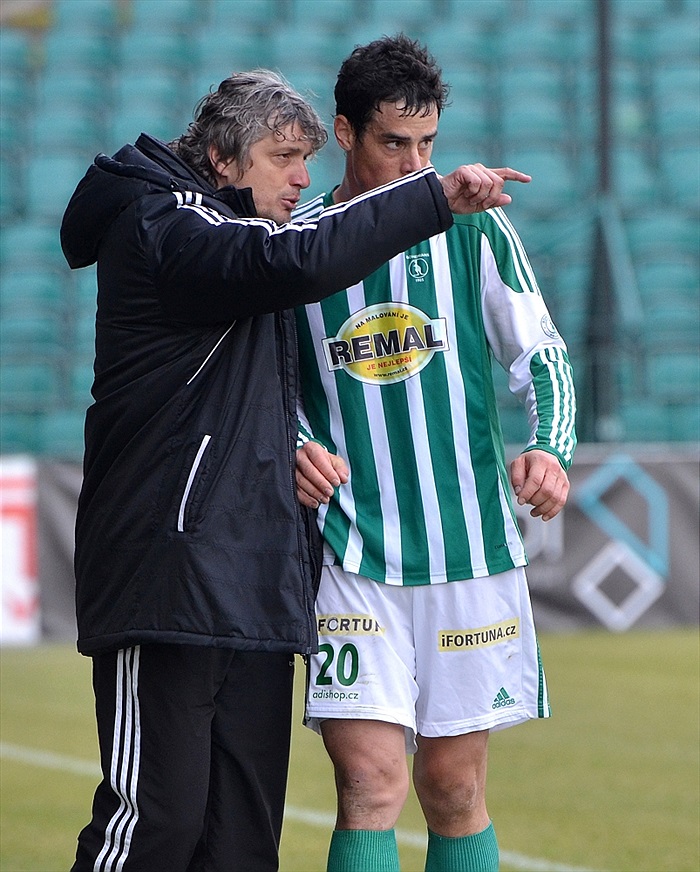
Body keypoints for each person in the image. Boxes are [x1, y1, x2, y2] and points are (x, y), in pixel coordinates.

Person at [60, 69, 530, 872]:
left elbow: (266, 378)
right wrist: (430, 199)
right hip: (168, 575)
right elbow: (294, 260)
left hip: (255, 580)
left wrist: (297, 441)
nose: (303, 178)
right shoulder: (165, 225)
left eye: (307, 158)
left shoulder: (232, 236)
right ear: (221, 157)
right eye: (284, 157)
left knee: (240, 842)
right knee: (154, 825)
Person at [294, 36, 577, 872]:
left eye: (428, 145)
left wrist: (549, 449)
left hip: (471, 549)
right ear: (344, 133)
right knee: (369, 783)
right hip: (351, 551)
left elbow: (543, 353)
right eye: (394, 144)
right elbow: (257, 387)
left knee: (453, 789)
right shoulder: (297, 247)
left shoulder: (473, 233)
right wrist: (295, 444)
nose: (417, 164)